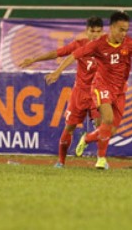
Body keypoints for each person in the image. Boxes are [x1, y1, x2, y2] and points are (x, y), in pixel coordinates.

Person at [72, 11, 132, 169]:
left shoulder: (131, 44)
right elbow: (75, 54)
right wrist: (57, 71)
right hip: (101, 86)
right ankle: (101, 159)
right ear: (112, 28)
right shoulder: (98, 44)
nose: (124, 33)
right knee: (107, 119)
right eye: (121, 29)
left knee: (111, 131)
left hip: (120, 90)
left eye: (126, 30)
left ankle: (87, 138)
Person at [18, 16, 104, 168]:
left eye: (99, 31)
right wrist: (34, 59)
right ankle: (61, 162)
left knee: (101, 125)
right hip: (80, 93)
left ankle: (101, 160)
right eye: (92, 31)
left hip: (97, 93)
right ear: (87, 31)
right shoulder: (79, 45)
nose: (95, 35)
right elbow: (57, 53)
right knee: (69, 127)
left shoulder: (106, 48)